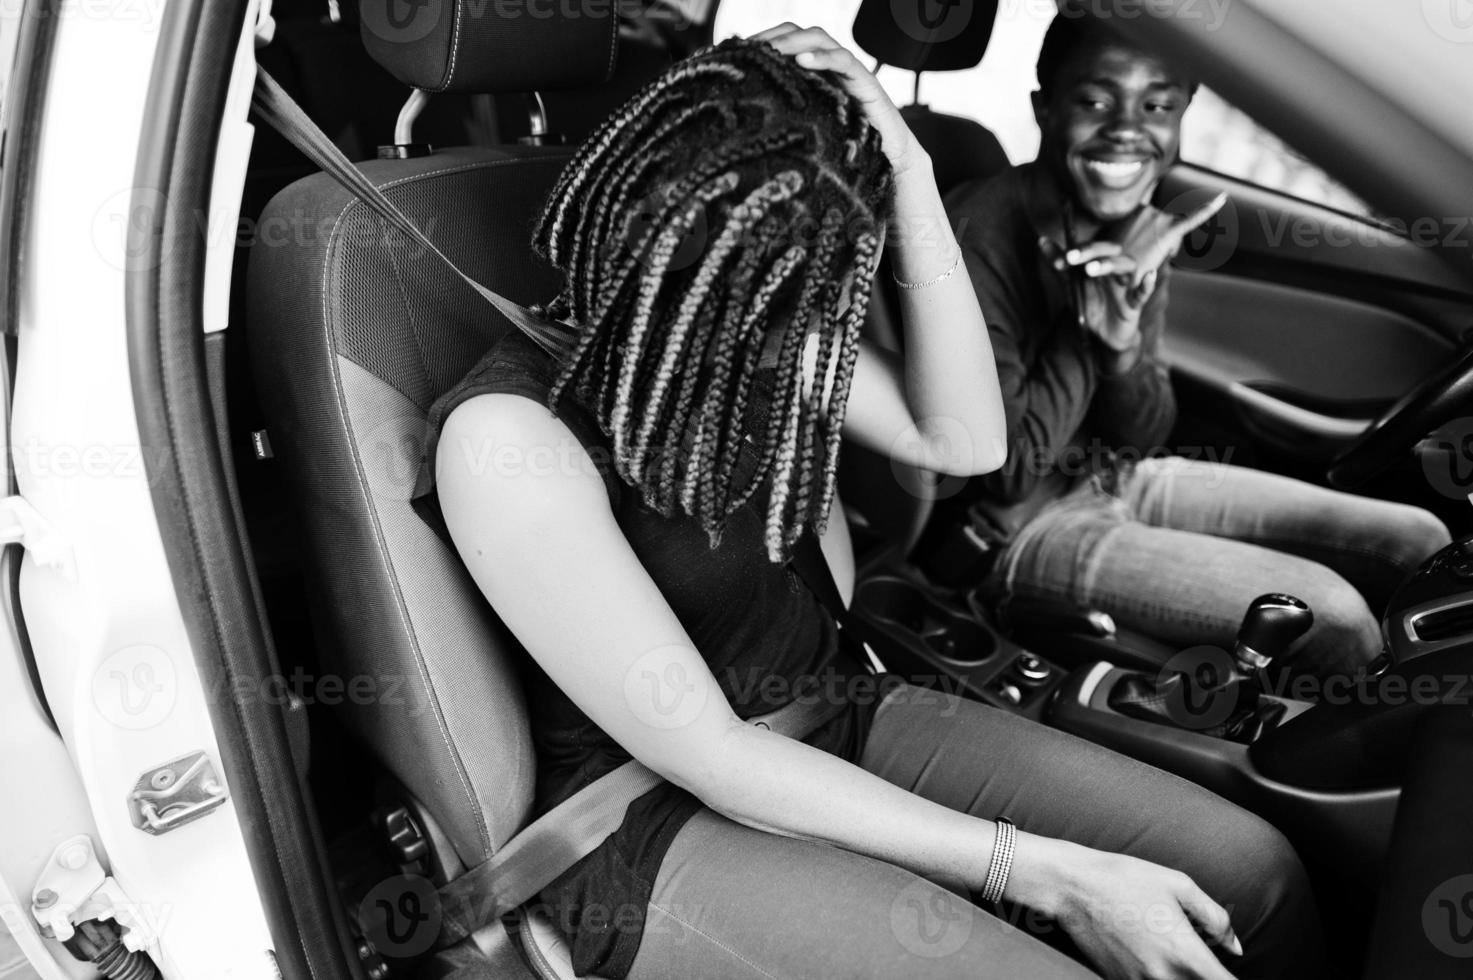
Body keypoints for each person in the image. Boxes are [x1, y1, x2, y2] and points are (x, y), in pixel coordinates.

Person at [420, 29, 1323, 980]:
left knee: (1249, 873)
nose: (809, 327)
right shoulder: (509, 441)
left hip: (839, 708)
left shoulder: (758, 329)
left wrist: (913, 173)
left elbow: (965, 442)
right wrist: (1057, 877)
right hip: (658, 814)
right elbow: (715, 757)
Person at [942, 10, 1450, 680]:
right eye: (1094, 100)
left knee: (1418, 541)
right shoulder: (975, 236)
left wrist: (1121, 349)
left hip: (1114, 475)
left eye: (1156, 104)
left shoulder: (1131, 223)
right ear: (1044, 109)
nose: (1127, 128)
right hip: (1018, 527)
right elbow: (1005, 469)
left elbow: (1139, 441)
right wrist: (1085, 327)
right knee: (1333, 618)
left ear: (1181, 116)